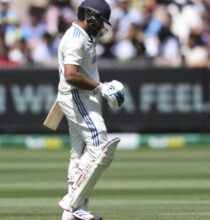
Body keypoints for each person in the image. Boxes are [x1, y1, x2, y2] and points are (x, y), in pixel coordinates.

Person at [55, 0, 125, 219]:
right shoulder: (75, 40)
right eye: (101, 20)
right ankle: (73, 200)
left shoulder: (85, 36)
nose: (102, 26)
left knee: (78, 155)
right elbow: (71, 75)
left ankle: (72, 214)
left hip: (80, 97)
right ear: (90, 16)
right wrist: (101, 87)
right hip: (78, 96)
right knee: (100, 146)